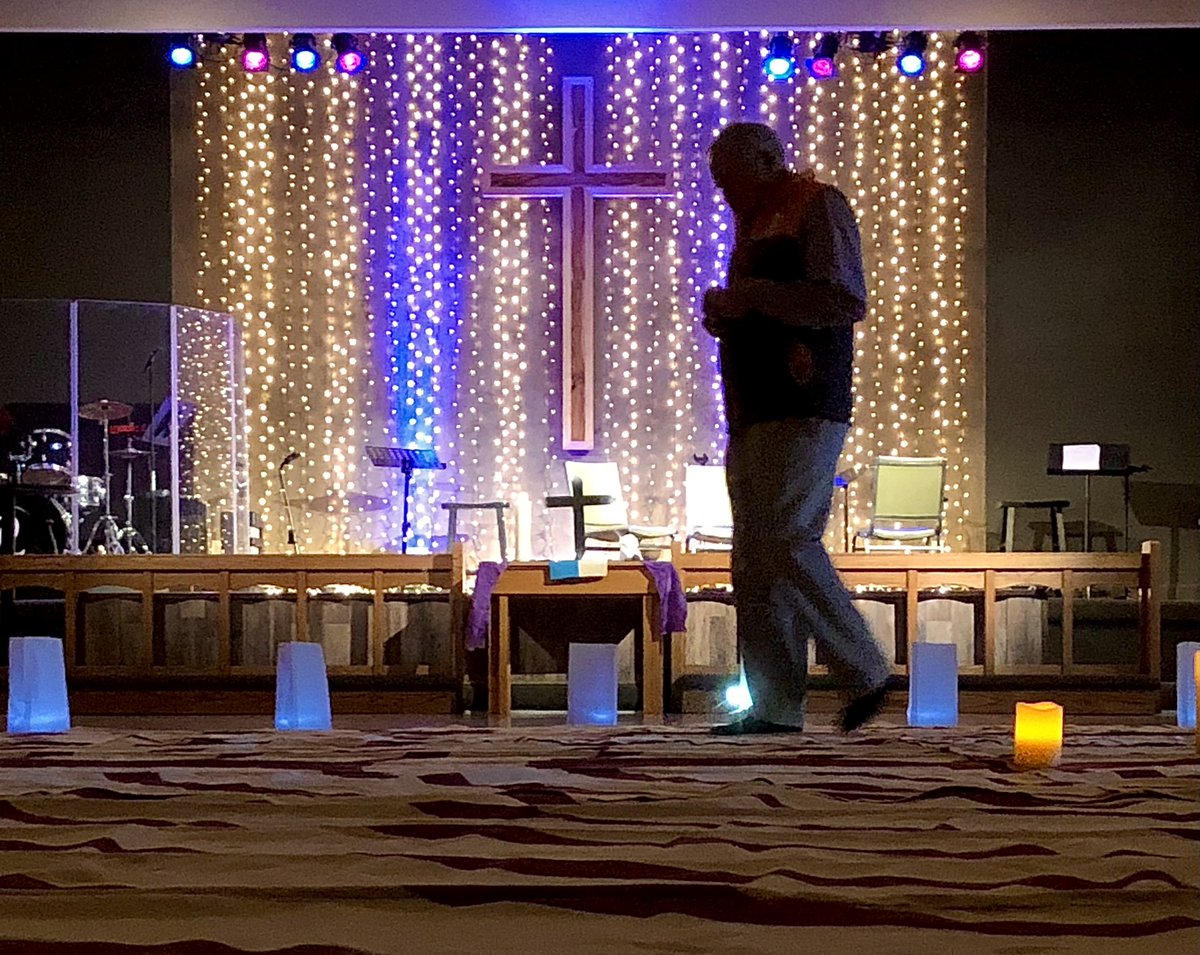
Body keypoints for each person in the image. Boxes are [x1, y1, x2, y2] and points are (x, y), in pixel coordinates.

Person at [703, 122, 890, 735]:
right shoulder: (754, 225)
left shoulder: (817, 206)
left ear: (765, 162)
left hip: (806, 404)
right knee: (754, 560)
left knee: (787, 536)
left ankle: (864, 668)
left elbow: (842, 299)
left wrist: (753, 296)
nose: (725, 194)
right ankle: (775, 705)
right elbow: (768, 312)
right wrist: (728, 315)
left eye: (731, 179)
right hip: (753, 407)